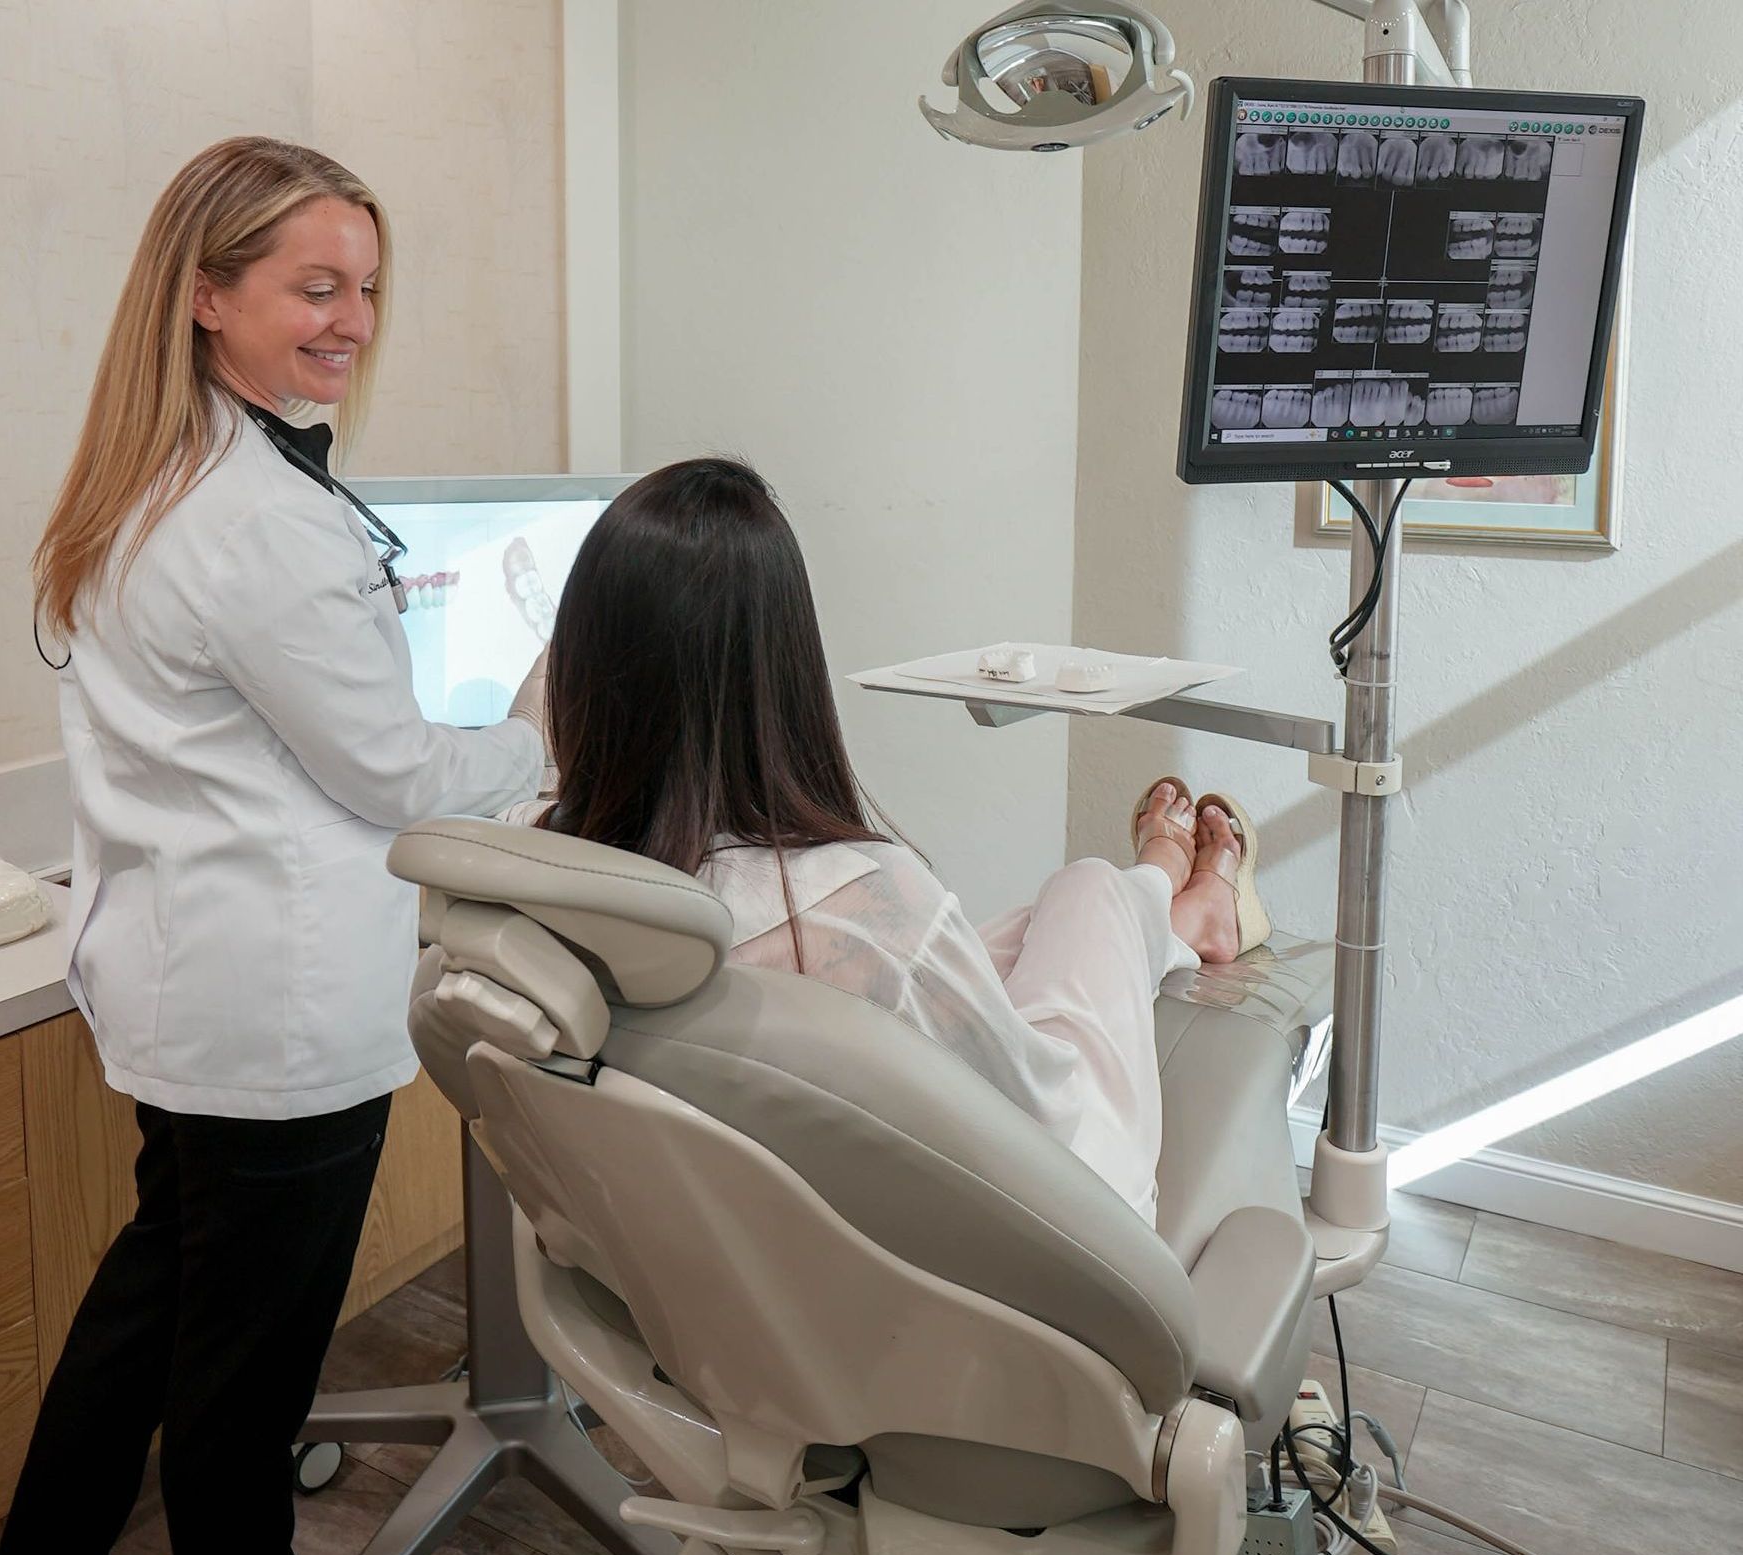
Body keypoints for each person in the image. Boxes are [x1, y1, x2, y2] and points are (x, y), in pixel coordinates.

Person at [0, 137, 548, 1555]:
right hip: (272, 1008)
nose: (351, 318)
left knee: (148, 1325)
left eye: (364, 287)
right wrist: (542, 729)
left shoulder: (160, 478)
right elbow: (389, 771)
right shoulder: (253, 519)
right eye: (312, 286)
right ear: (208, 297)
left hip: (179, 981)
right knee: (242, 1371)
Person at [517, 457, 1270, 1226]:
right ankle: (1175, 888)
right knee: (1088, 890)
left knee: (1055, 912)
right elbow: (1045, 1122)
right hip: (1064, 1219)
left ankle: (1168, 911)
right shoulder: (866, 905)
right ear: (781, 677)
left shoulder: (539, 871)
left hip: (742, 1253)